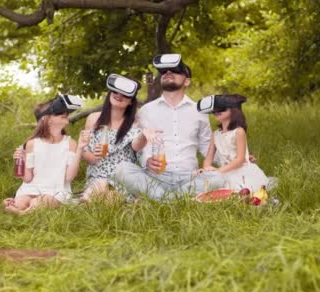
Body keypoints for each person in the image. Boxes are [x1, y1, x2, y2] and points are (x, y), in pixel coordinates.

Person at [114, 54, 226, 201]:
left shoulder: (199, 112)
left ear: (187, 81)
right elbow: (140, 147)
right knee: (121, 170)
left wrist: (232, 158)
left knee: (217, 178)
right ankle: (178, 200)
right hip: (155, 177)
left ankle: (161, 199)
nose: (168, 72)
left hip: (189, 178)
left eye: (175, 70)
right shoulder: (146, 110)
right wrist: (146, 160)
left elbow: (206, 147)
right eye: (164, 71)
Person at [3, 94, 90, 215]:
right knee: (20, 202)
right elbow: (28, 179)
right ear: (46, 119)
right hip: (31, 188)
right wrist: (21, 161)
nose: (65, 114)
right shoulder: (31, 144)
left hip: (56, 192)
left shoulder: (70, 143)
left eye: (66, 113)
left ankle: (22, 214)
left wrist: (80, 148)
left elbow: (69, 177)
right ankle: (19, 208)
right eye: (60, 113)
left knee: (38, 203)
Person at [81, 74, 160, 202]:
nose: (119, 95)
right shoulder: (93, 118)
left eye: (125, 94)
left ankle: (122, 200)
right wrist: (94, 156)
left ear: (131, 102)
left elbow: (136, 145)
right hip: (97, 175)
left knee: (112, 198)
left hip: (122, 177)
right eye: (116, 91)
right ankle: (92, 198)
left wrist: (144, 134)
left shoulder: (136, 123)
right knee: (100, 186)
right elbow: (86, 154)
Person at [195, 94, 269, 193]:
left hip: (241, 172)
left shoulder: (238, 132)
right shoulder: (215, 134)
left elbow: (240, 160)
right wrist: (206, 170)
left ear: (234, 111)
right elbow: (208, 158)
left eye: (221, 109)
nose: (216, 112)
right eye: (214, 110)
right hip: (223, 172)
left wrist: (217, 171)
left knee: (237, 191)